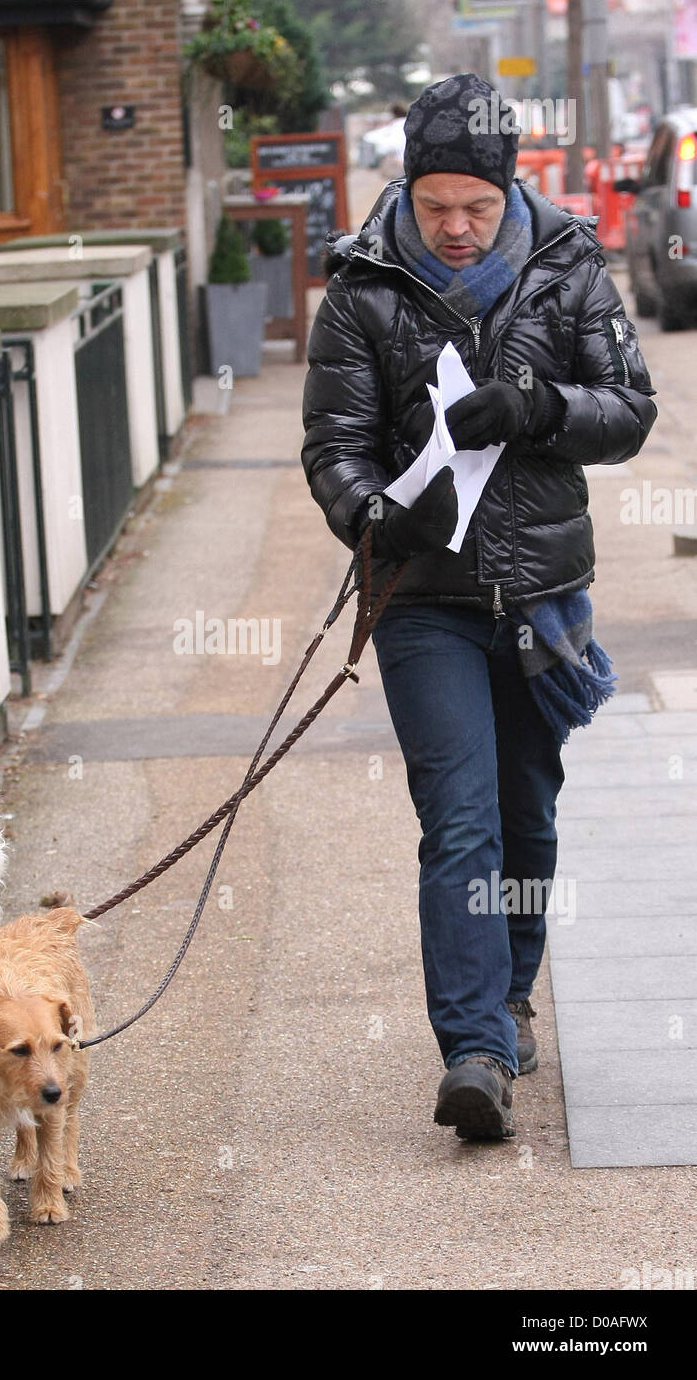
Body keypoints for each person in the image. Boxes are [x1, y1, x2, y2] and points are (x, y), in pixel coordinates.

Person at [301, 73, 657, 1140]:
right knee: (456, 820)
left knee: (523, 811)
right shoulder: (362, 288)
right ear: (405, 188)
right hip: (422, 603)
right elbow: (332, 448)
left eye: (477, 208)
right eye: (435, 205)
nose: (454, 229)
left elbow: (629, 408)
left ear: (511, 192)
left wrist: (542, 405)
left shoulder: (567, 267)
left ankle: (508, 991)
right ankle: (470, 1051)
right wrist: (373, 514)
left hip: (545, 595)